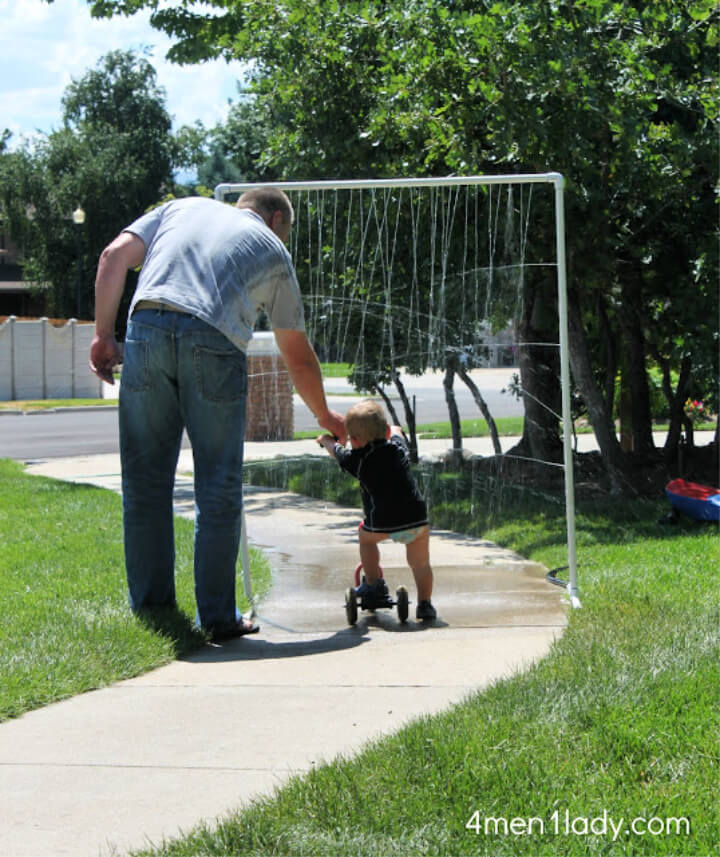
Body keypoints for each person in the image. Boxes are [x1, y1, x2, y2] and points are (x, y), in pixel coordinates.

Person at [89, 188, 346, 641]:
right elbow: (296, 355)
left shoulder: (181, 207)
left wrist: (103, 336)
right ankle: (218, 617)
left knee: (146, 483)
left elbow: (112, 257)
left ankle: (153, 610)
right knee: (217, 485)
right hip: (214, 337)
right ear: (274, 218)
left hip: (145, 328)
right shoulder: (272, 248)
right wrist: (324, 414)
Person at [317, 399, 436, 621]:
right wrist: (395, 431)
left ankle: (373, 583)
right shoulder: (397, 447)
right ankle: (425, 604)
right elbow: (397, 432)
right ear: (386, 431)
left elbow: (337, 451)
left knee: (365, 538)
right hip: (416, 520)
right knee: (420, 563)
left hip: (382, 522)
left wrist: (325, 441)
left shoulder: (357, 459)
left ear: (355, 440)